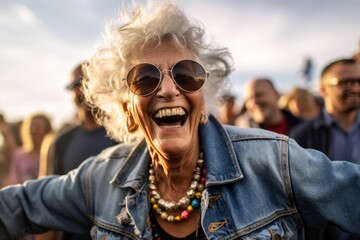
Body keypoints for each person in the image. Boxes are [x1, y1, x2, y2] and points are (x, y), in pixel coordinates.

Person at [0, 1, 360, 239]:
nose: (169, 89)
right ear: (127, 111)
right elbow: (18, 207)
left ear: (202, 102)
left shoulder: (274, 161)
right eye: (145, 78)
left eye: (186, 75)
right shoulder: (99, 179)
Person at [38, 62, 118, 240]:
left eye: (87, 82)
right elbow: (49, 202)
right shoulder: (62, 142)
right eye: (75, 85)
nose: (82, 90)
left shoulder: (123, 136)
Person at [290, 58, 360, 240]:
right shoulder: (302, 135)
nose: (355, 88)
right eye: (344, 82)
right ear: (323, 89)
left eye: (359, 81)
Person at [235, 78, 303, 135]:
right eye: (248, 99)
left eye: (259, 95)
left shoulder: (306, 130)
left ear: (276, 94)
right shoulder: (240, 134)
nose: (254, 102)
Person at [5, 112, 52, 185]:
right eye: (31, 127)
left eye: (38, 128)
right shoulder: (19, 154)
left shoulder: (51, 153)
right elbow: (13, 179)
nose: (33, 131)